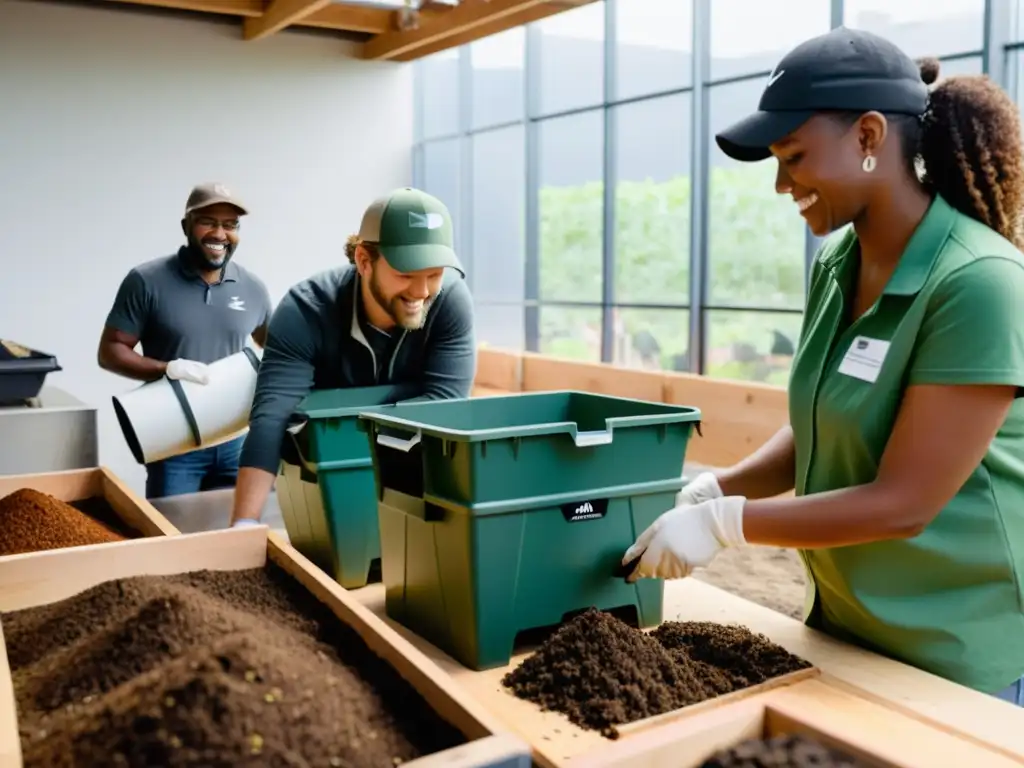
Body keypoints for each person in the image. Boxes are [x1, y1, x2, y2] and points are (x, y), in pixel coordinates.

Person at [622, 27, 1024, 706]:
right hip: (846, 630)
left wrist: (730, 525)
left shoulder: (978, 283)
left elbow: (905, 503)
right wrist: (715, 489)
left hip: (958, 658)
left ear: (868, 137)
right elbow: (820, 422)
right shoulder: (840, 265)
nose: (782, 185)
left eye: (795, 157)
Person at [228, 187, 476, 527]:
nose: (421, 292)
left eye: (434, 275)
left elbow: (445, 406)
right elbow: (273, 416)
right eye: (405, 274)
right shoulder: (305, 310)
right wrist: (244, 524)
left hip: (416, 486)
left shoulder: (449, 301)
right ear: (364, 260)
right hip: (327, 487)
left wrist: (338, 409)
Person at [99, 182, 272, 499]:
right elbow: (110, 351)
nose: (220, 234)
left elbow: (276, 352)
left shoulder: (252, 288)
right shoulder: (146, 281)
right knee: (173, 541)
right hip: (175, 444)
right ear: (186, 226)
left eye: (230, 224)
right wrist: (166, 368)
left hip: (238, 443)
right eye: (208, 221)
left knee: (240, 539)